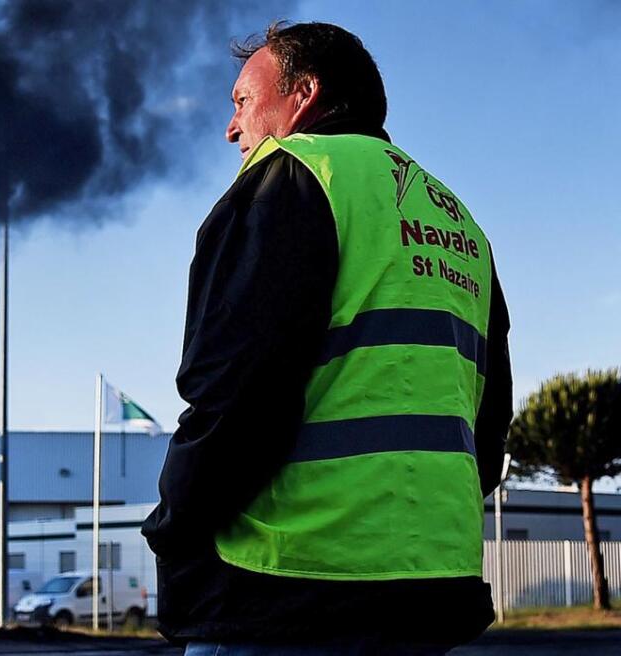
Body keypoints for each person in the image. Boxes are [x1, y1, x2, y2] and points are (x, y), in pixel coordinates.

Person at [141, 21, 512, 655]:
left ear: (304, 93)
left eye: (242, 102)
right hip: (427, 591)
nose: (232, 128)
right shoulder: (458, 222)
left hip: (288, 588)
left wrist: (176, 526)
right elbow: (489, 419)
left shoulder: (288, 180)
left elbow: (234, 391)